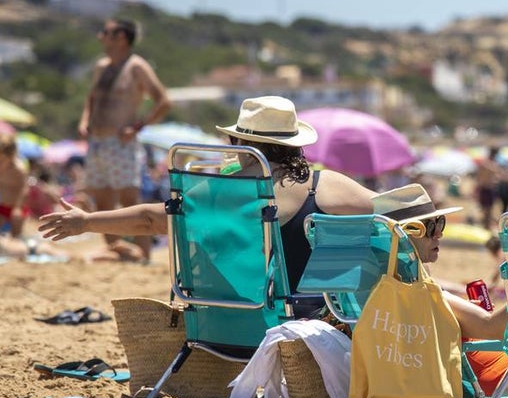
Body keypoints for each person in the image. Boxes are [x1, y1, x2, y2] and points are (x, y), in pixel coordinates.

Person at [39, 96, 380, 307]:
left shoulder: (215, 190)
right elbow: (395, 212)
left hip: (219, 321)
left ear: (237, 140)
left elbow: (148, 219)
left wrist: (85, 221)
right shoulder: (323, 185)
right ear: (294, 144)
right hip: (297, 323)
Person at [371, 183, 508, 396]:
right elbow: (492, 328)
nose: (439, 234)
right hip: (488, 379)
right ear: (404, 237)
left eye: (440, 223)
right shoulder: (422, 293)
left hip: (476, 371)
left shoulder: (384, 284)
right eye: (430, 228)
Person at [78, 18, 172, 262]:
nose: (101, 36)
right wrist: (84, 120)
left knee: (129, 200)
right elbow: (91, 98)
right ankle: (118, 251)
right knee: (101, 200)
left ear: (121, 37)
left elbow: (163, 100)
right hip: (97, 142)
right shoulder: (101, 66)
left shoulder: (136, 66)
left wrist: (138, 127)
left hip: (121, 142)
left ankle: (143, 255)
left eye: (106, 32)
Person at [0, 134, 29, 236]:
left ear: (11, 155)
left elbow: (24, 189)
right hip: (2, 206)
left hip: (16, 208)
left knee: (15, 238)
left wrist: (17, 208)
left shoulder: (18, 169)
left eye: (3, 158)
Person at [473, 147, 502, 230]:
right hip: (485, 189)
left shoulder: (490, 164)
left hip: (489, 189)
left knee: (489, 211)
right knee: (486, 211)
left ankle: (486, 227)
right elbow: (480, 177)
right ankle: (485, 227)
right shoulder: (488, 164)